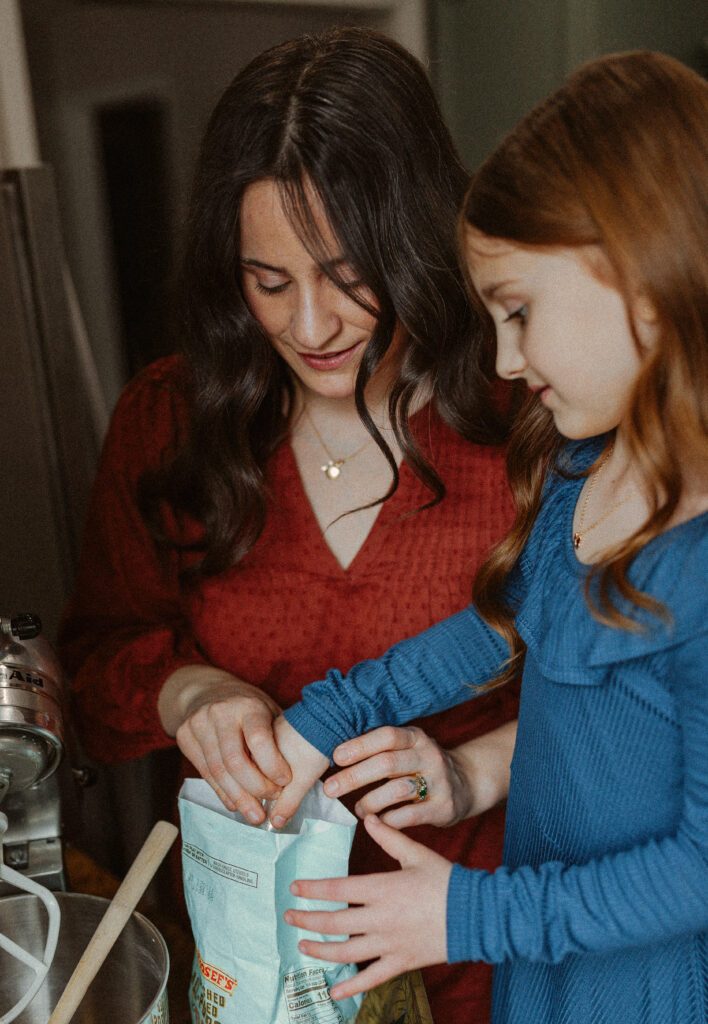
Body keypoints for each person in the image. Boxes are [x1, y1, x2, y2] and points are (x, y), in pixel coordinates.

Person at [58, 26, 520, 1024]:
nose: (310, 328)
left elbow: (625, 692)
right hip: (249, 975)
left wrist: (472, 770)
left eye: (350, 276)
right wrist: (191, 691)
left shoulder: (525, 414)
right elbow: (93, 666)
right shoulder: (171, 422)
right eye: (268, 281)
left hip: (487, 968)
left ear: (419, 240)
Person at [251, 51, 708, 1024]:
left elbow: (696, 874)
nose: (503, 356)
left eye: (520, 312)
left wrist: (467, 914)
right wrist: (322, 718)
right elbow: (489, 630)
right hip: (542, 955)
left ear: (650, 290)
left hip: (641, 983)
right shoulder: (585, 465)